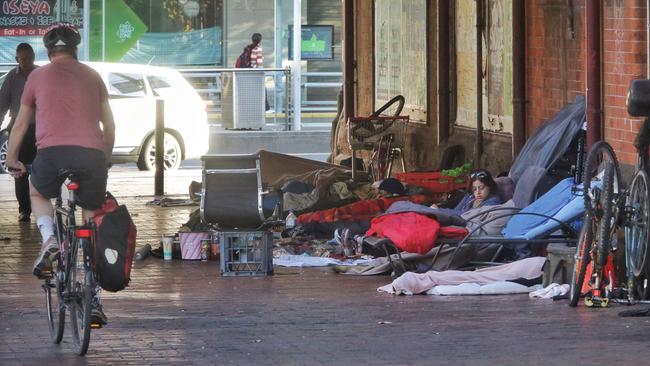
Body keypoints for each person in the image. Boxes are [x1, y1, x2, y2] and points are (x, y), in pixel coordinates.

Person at [5, 23, 116, 325]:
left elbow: (20, 124)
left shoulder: (37, 76)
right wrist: (104, 158)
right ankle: (93, 298)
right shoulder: (93, 76)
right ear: (75, 49)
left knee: (38, 192)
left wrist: (12, 158)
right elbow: (110, 124)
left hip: (51, 154)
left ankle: (50, 240)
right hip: (91, 155)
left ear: (49, 50)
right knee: (91, 215)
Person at [0, 43, 38, 222]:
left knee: (40, 171)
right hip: (17, 129)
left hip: (40, 129)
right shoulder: (11, 78)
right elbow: (2, 105)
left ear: (34, 57)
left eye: (29, 58)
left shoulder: (41, 75)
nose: (26, 62)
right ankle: (24, 210)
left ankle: (41, 208)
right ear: (16, 59)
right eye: (23, 59)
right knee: (18, 171)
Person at [431, 169, 501, 215]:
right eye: (474, 189)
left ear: (489, 186)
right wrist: (438, 210)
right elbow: (457, 210)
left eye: (481, 188)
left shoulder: (493, 202)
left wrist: (439, 211)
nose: (477, 192)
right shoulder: (470, 196)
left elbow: (466, 215)